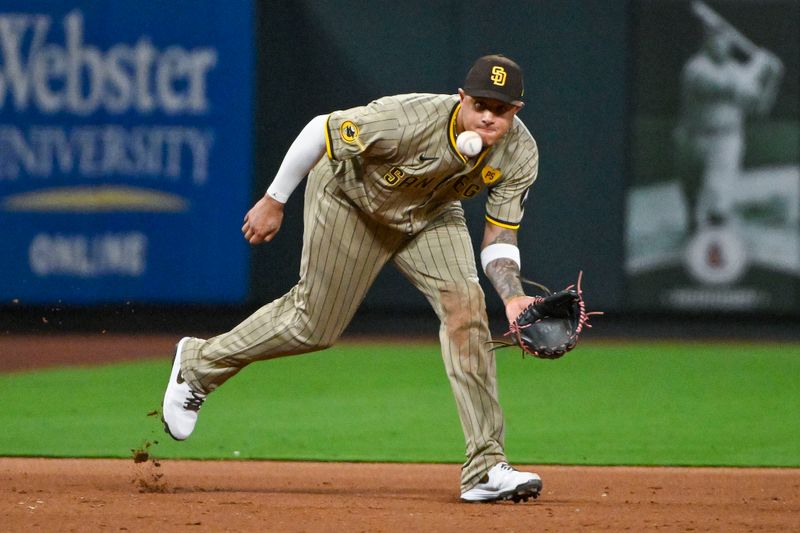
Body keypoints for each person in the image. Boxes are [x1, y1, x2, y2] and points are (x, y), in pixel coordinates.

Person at [163, 54, 543, 503]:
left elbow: (499, 238)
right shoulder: (409, 118)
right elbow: (319, 129)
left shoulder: (520, 153)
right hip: (351, 199)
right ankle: (197, 364)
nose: (486, 116)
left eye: (499, 109)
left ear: (515, 111)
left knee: (466, 306)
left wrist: (514, 297)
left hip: (430, 215)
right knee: (313, 326)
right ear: (461, 99)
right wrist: (274, 199)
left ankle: (484, 466)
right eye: (479, 103)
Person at [674, 19, 783, 230]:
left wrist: (773, 79)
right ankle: (692, 224)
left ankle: (716, 233)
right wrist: (760, 64)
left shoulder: (734, 69)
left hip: (726, 139)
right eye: (716, 39)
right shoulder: (696, 69)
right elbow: (729, 87)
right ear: (706, 42)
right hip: (692, 138)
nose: (722, 44)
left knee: (718, 196)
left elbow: (759, 106)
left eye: (725, 40)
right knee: (691, 193)